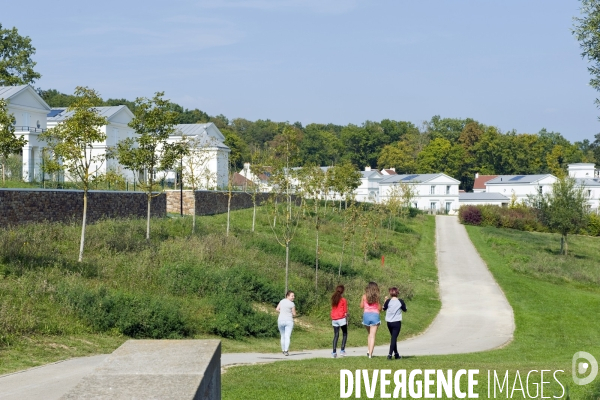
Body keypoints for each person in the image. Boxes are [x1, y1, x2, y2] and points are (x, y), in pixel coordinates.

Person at [383, 287, 408, 360]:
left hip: (389, 322)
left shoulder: (388, 301)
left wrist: (385, 301)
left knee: (394, 338)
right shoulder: (400, 301)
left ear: (390, 293)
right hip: (396, 322)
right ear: (397, 293)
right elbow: (405, 309)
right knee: (393, 338)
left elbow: (383, 308)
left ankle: (396, 354)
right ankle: (390, 354)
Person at [360, 281, 381, 358]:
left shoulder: (364, 296)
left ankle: (369, 350)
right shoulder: (377, 297)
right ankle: (370, 354)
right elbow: (379, 308)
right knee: (372, 335)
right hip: (375, 316)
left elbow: (361, 306)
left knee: (369, 334)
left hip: (366, 316)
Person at [276, 290, 296, 356]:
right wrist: (290, 313)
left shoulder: (281, 301)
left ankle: (283, 350)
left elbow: (277, 309)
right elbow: (294, 313)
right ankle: (286, 350)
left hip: (280, 320)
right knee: (287, 336)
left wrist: (282, 312)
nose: (293, 297)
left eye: (293, 296)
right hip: (289, 321)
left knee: (282, 336)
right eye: (292, 296)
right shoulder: (292, 304)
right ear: (287, 296)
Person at [330, 285, 348, 358]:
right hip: (341, 318)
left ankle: (334, 352)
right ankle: (342, 350)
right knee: (345, 333)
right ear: (342, 291)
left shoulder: (333, 299)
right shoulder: (343, 300)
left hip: (334, 318)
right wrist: (347, 319)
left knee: (336, 335)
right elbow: (345, 312)